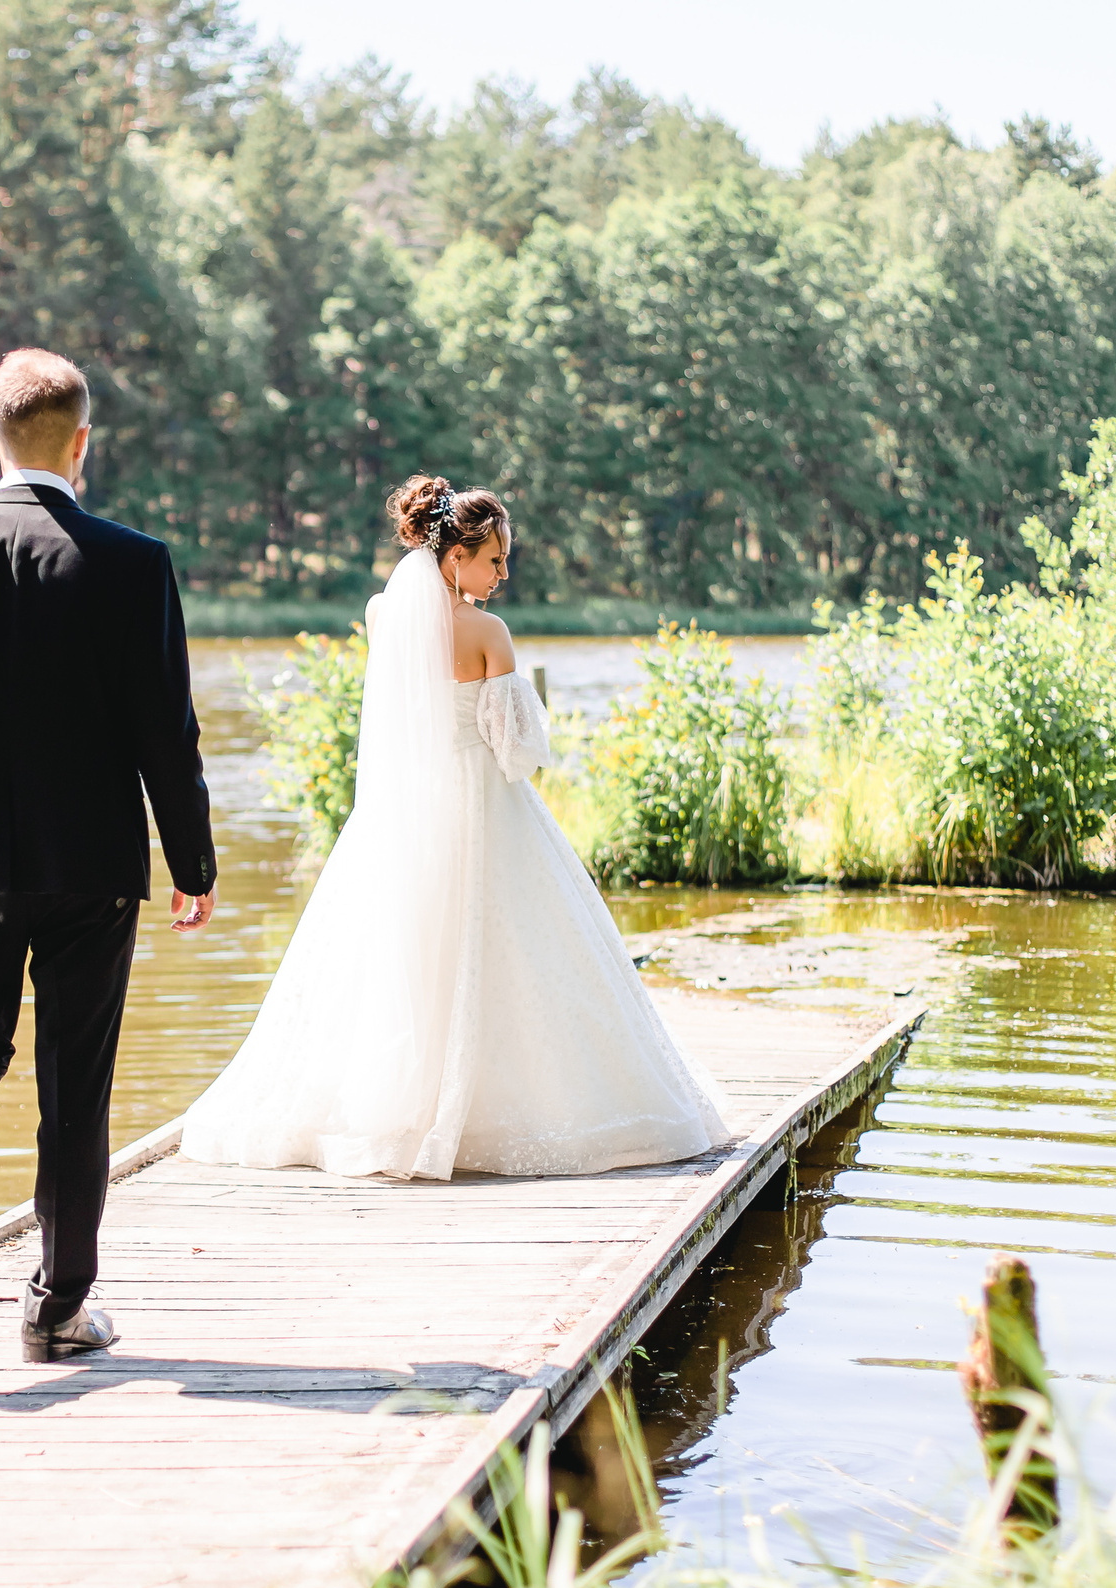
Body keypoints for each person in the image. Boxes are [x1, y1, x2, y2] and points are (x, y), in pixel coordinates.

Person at [180, 476, 727, 1181]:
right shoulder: (488, 633)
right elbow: (518, 754)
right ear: (457, 554)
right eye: (494, 559)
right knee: (516, 951)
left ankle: (382, 1110)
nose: (502, 575)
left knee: (401, 953)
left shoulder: (385, 613)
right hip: (481, 805)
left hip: (399, 813)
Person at [0, 347, 217, 1367]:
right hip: (93, 867)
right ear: (81, 443)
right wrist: (191, 863)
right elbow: (167, 734)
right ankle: (57, 1305)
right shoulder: (132, 562)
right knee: (76, 1081)